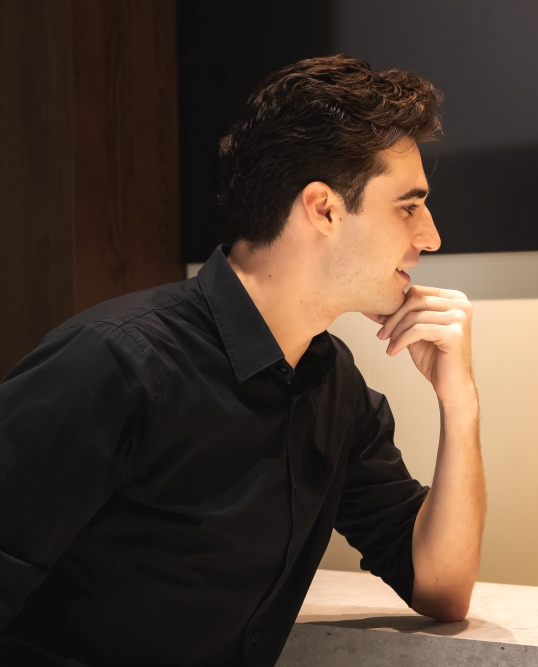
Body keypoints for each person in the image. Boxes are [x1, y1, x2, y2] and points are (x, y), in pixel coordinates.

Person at [0, 55, 486, 666]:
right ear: (323, 208)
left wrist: (460, 404)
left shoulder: (331, 384)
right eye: (408, 206)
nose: (430, 236)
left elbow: (440, 586)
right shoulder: (114, 362)